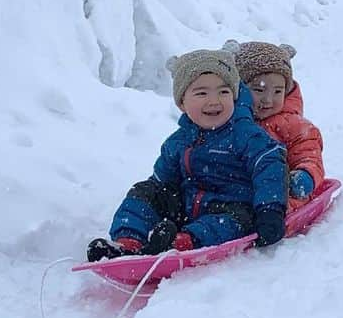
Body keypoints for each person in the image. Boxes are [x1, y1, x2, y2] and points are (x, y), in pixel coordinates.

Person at [87, 48, 288, 261]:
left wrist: (270, 209)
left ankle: (178, 244)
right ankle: (127, 244)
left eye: (224, 92)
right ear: (182, 103)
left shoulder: (245, 134)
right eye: (202, 93)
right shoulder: (178, 141)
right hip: (188, 205)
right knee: (145, 191)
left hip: (231, 206)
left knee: (233, 222)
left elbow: (270, 166)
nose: (214, 101)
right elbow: (162, 181)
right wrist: (157, 199)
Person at [225, 39, 325, 210]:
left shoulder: (293, 125)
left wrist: (304, 175)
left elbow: (309, 155)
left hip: (278, 190)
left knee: (278, 201)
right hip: (230, 190)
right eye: (259, 90)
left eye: (278, 91)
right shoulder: (225, 121)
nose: (268, 100)